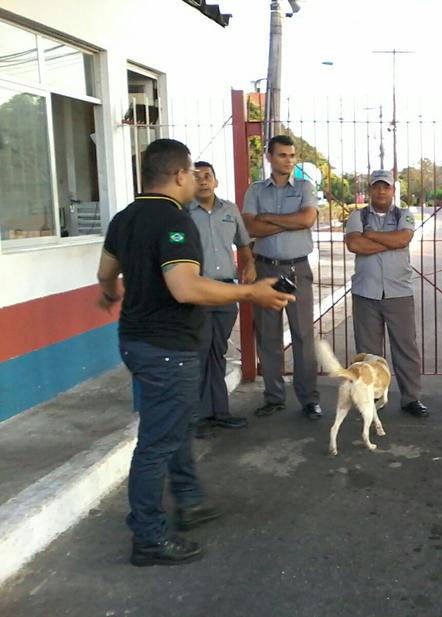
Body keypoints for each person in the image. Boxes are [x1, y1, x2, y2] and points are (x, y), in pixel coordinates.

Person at [96, 138, 294, 566]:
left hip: (136, 341)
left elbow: (106, 274)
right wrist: (250, 293)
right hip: (167, 349)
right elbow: (185, 287)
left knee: (176, 425)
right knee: (157, 443)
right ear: (179, 175)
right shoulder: (175, 221)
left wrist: (112, 294)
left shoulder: (123, 218)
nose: (196, 181)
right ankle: (148, 536)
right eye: (192, 174)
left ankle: (188, 498)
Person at [242, 135, 322, 421]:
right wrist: (289, 221)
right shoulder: (255, 190)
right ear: (269, 157)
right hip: (265, 269)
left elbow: (306, 220)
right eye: (282, 155)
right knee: (268, 336)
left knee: (303, 335)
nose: (288, 160)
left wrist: (268, 218)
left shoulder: (304, 187)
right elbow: (250, 227)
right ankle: (274, 397)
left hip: (297, 269)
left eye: (291, 155)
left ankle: (309, 399)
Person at [344, 170, 428, 417]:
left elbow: (403, 240)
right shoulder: (357, 216)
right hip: (365, 293)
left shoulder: (404, 215)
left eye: (386, 187)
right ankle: (369, 399)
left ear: (393, 190)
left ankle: (411, 398)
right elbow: (355, 244)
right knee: (368, 352)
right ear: (370, 190)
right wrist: (388, 241)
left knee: (405, 348)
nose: (381, 191)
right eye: (376, 187)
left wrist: (371, 235)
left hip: (398, 292)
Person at [187, 161, 255, 439]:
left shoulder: (230, 210)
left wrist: (249, 264)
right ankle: (198, 416)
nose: (203, 181)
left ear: (216, 181)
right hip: (198, 290)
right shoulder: (183, 213)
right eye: (197, 177)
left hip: (226, 291)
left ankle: (220, 412)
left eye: (208, 176)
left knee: (218, 351)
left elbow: (243, 243)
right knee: (200, 351)